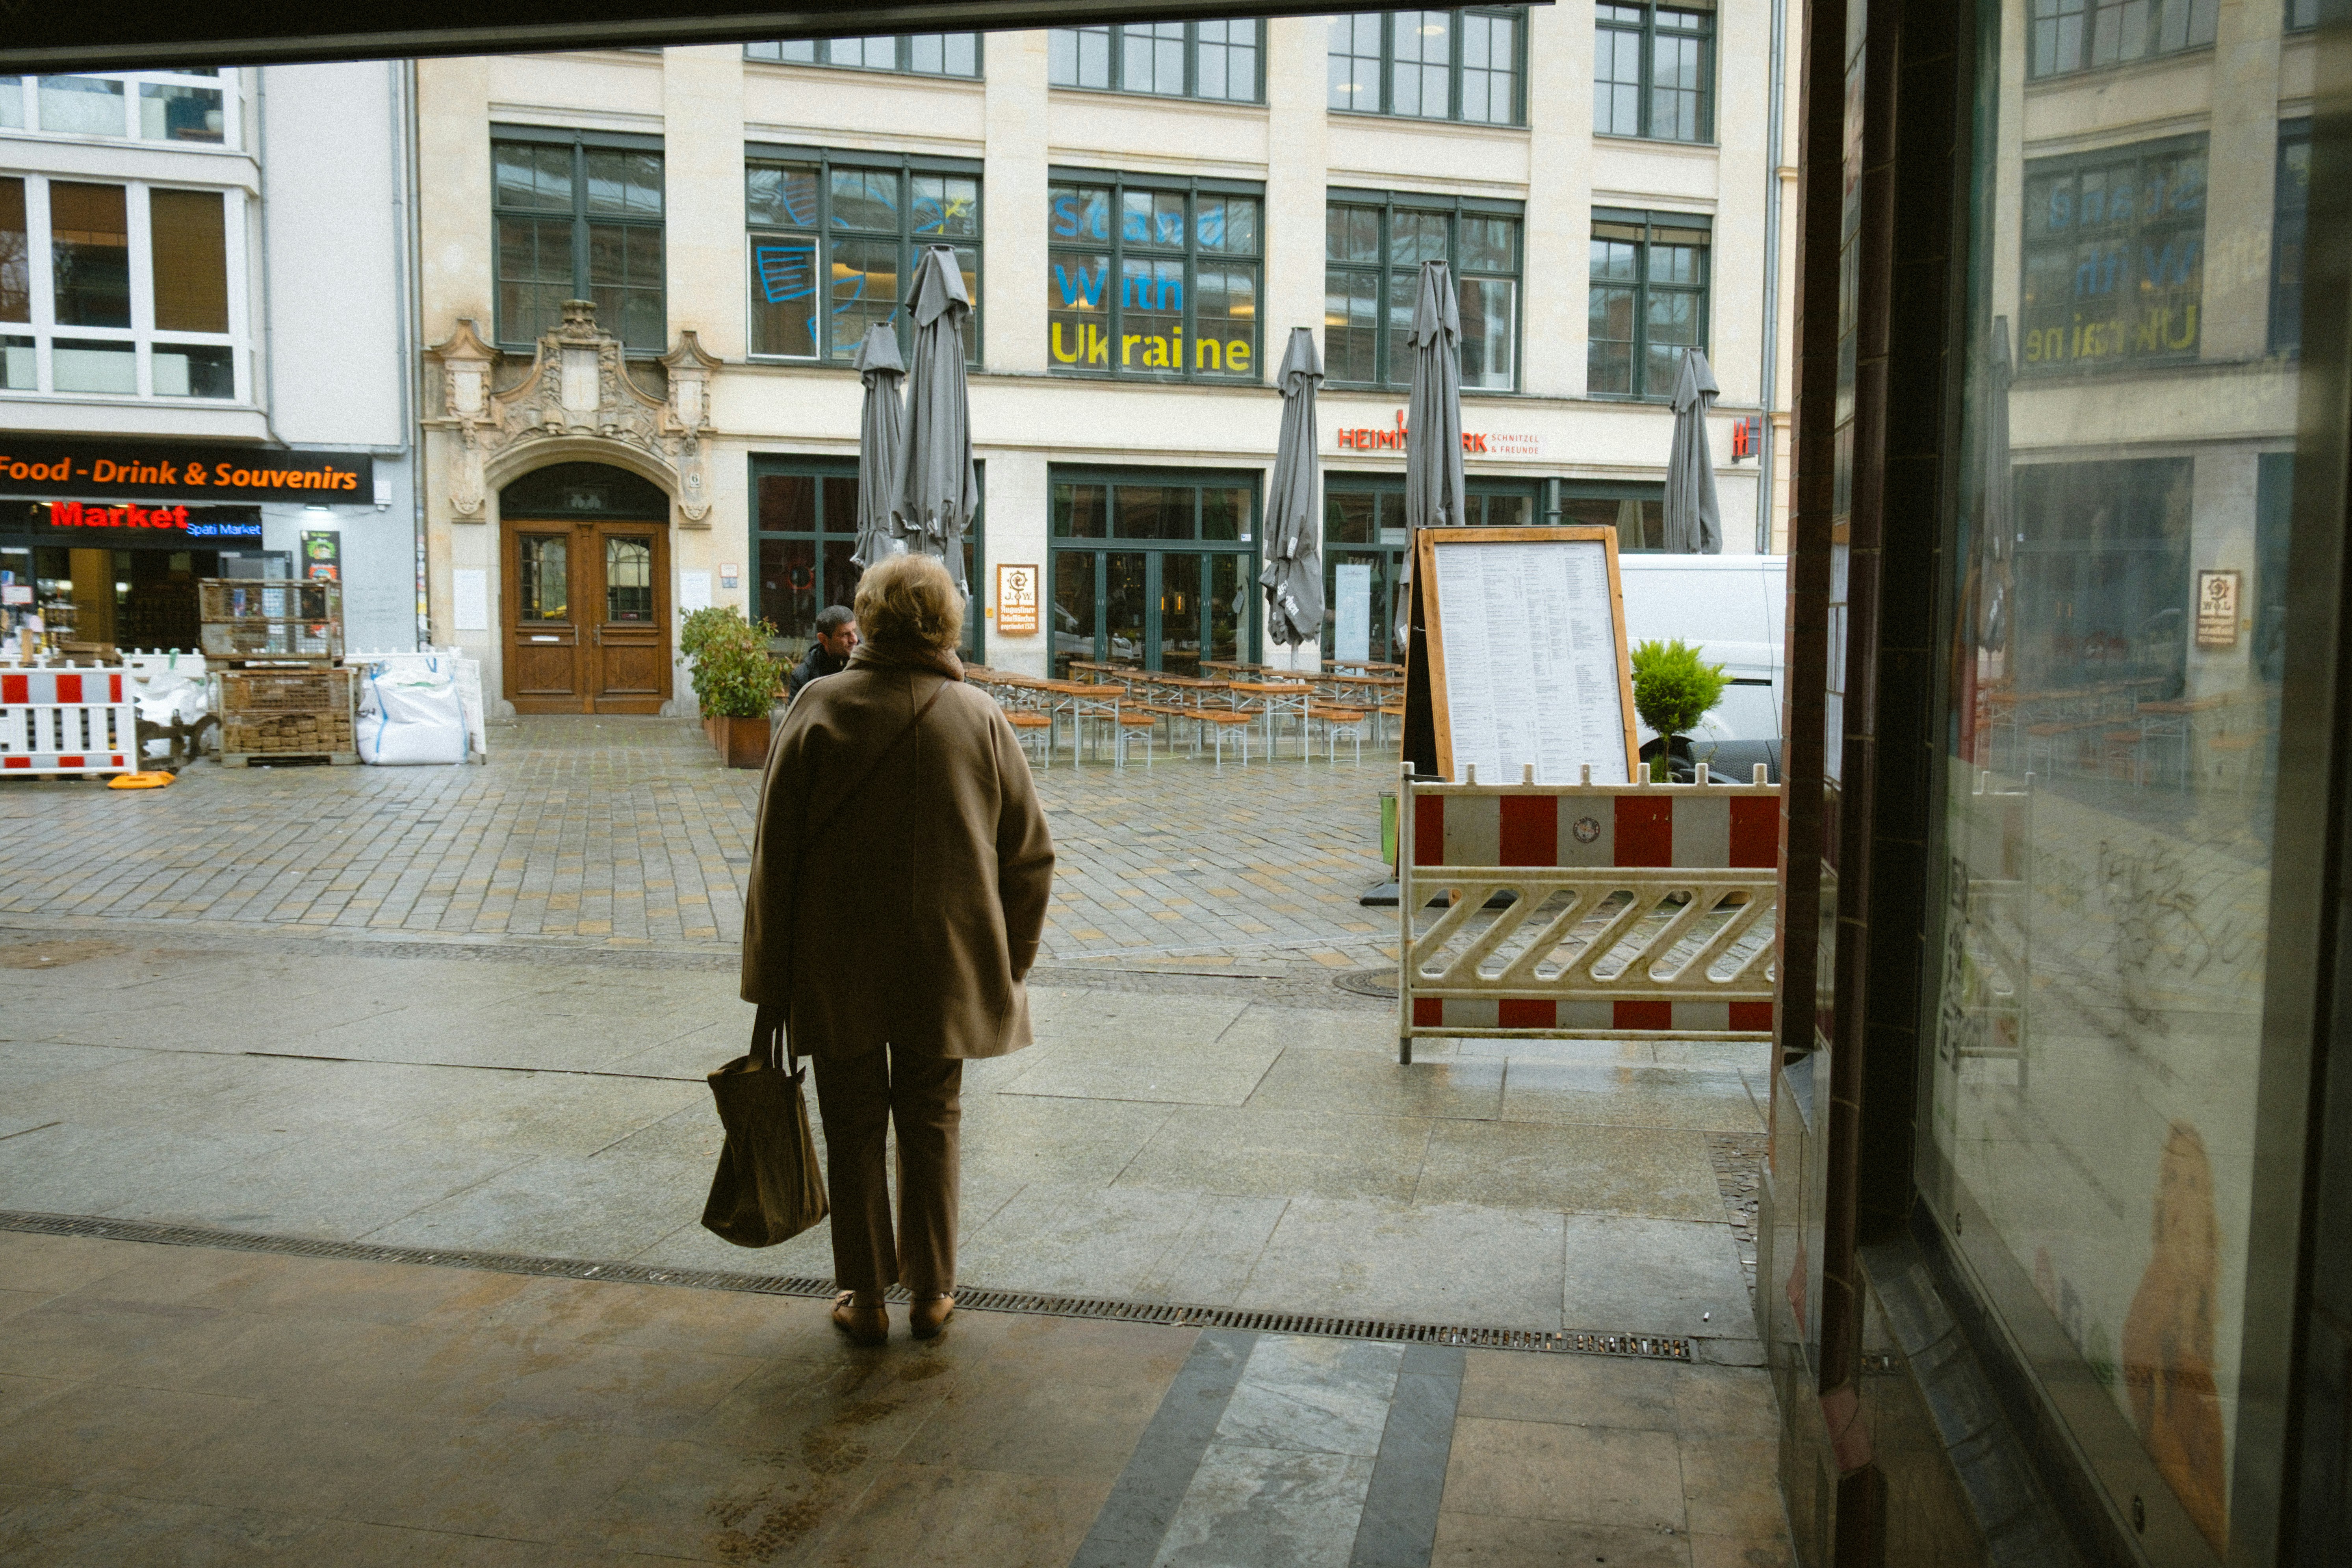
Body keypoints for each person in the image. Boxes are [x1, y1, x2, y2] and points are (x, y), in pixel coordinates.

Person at [741, 554, 1053, 1345]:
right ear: (945, 622)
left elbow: (774, 859)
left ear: (867, 618)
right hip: (945, 962)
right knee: (933, 1115)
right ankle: (934, 1290)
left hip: (834, 961)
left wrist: (769, 980)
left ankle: (867, 1294)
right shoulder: (976, 714)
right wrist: (1005, 961)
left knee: (850, 1123)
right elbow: (1029, 855)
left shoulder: (818, 705)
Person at [787, 605, 859, 700]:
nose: (854, 640)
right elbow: (797, 715)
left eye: (855, 631)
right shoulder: (803, 677)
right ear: (824, 639)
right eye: (845, 634)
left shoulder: (870, 663)